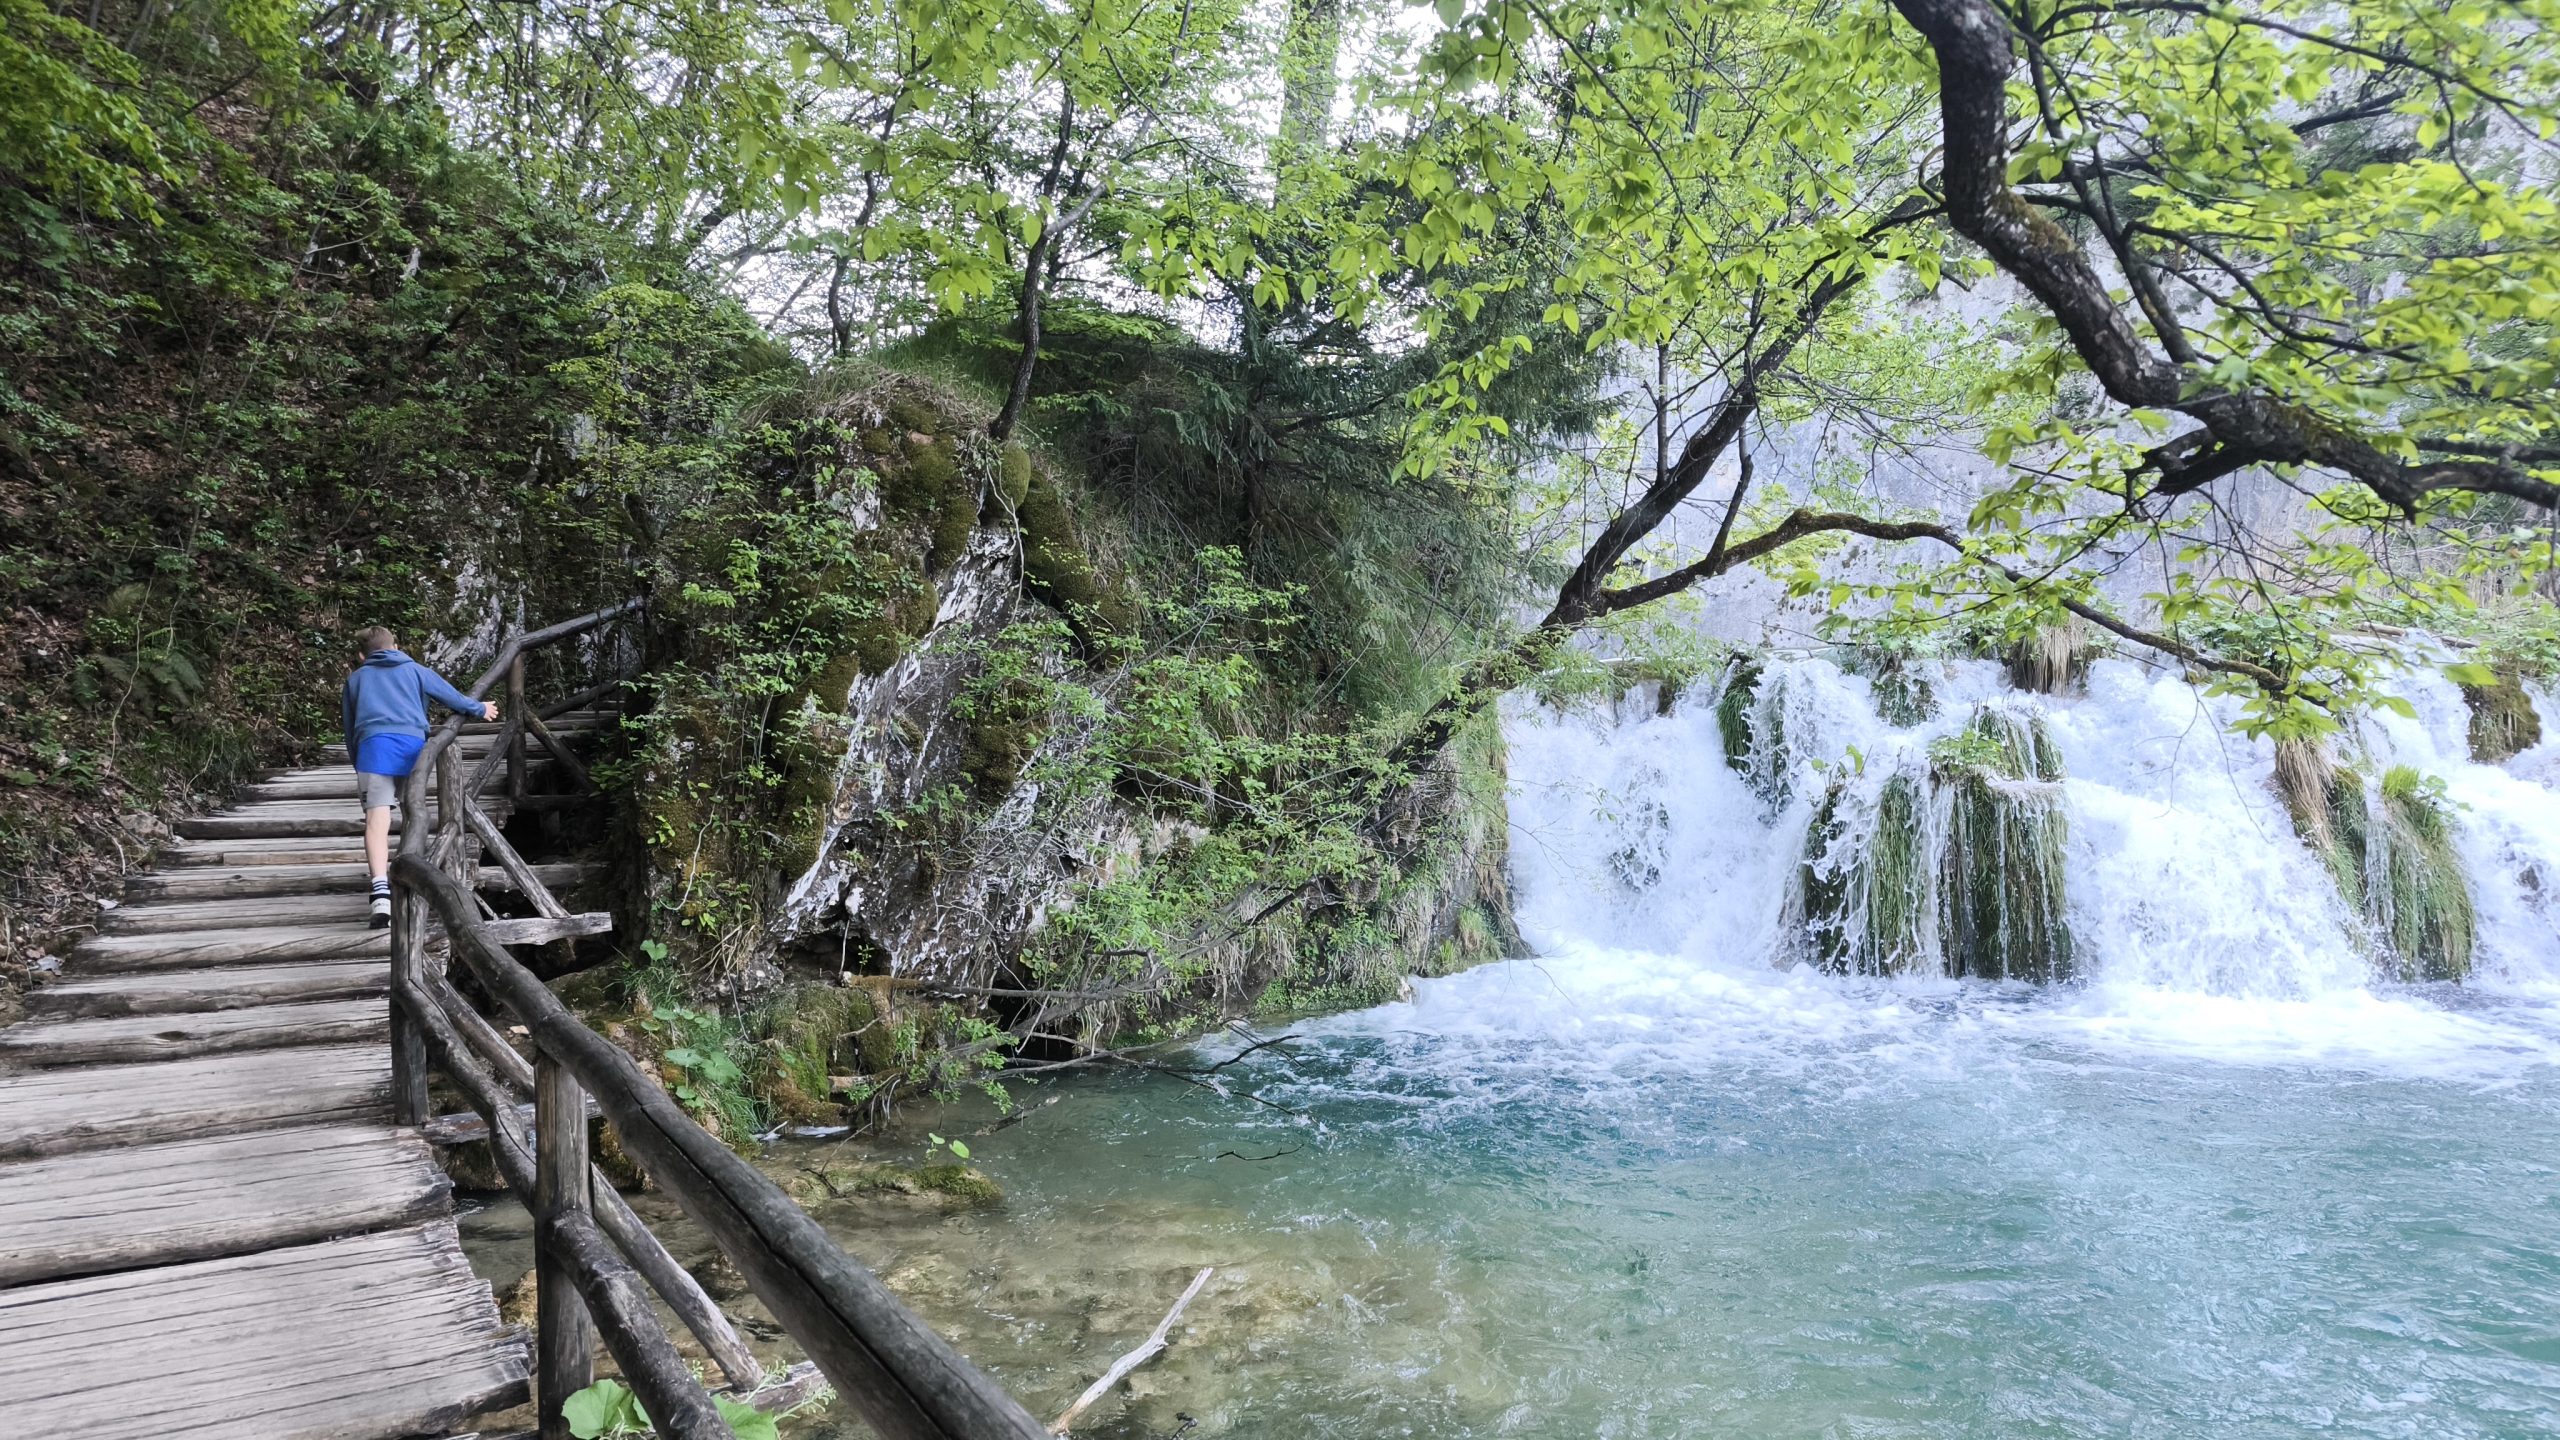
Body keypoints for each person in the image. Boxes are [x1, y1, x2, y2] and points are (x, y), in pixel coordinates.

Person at [342, 627, 496, 927]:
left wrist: (357, 762)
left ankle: (380, 892)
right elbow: (452, 697)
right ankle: (414, 876)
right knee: (415, 810)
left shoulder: (356, 679)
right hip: (413, 750)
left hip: (373, 751)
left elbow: (349, 728)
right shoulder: (415, 670)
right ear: (396, 646)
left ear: (362, 656)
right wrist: (480, 708)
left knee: (377, 821)